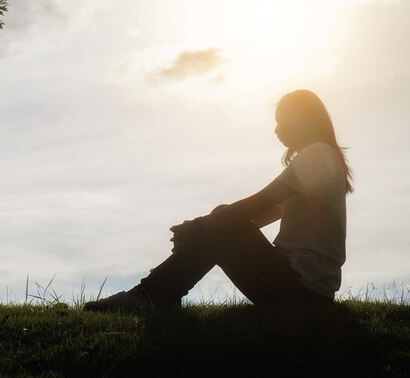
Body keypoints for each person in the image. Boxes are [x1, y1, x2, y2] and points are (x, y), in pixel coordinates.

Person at [84, 89, 353, 313]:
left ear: (302, 120)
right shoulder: (322, 158)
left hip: (301, 291)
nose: (276, 129)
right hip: (303, 291)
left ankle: (152, 294)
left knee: (222, 217)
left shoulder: (317, 155)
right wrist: (202, 232)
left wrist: (199, 226)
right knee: (222, 219)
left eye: (282, 120)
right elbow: (254, 218)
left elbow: (257, 204)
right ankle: (157, 293)